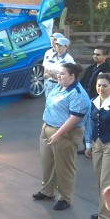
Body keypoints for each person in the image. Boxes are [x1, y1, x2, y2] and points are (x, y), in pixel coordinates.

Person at [32, 63, 90, 211]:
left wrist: (58, 134)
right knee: (47, 163)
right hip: (48, 128)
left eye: (62, 73)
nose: (59, 75)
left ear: (72, 76)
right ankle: (47, 191)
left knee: (65, 167)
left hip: (65, 133)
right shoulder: (60, 86)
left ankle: (65, 197)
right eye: (59, 73)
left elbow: (74, 118)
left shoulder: (77, 93)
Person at [85, 73, 110, 219]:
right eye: (99, 85)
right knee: (100, 180)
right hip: (97, 144)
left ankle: (104, 216)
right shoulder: (93, 101)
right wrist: (88, 144)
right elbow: (90, 124)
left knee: (106, 181)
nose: (101, 88)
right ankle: (104, 210)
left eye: (105, 86)